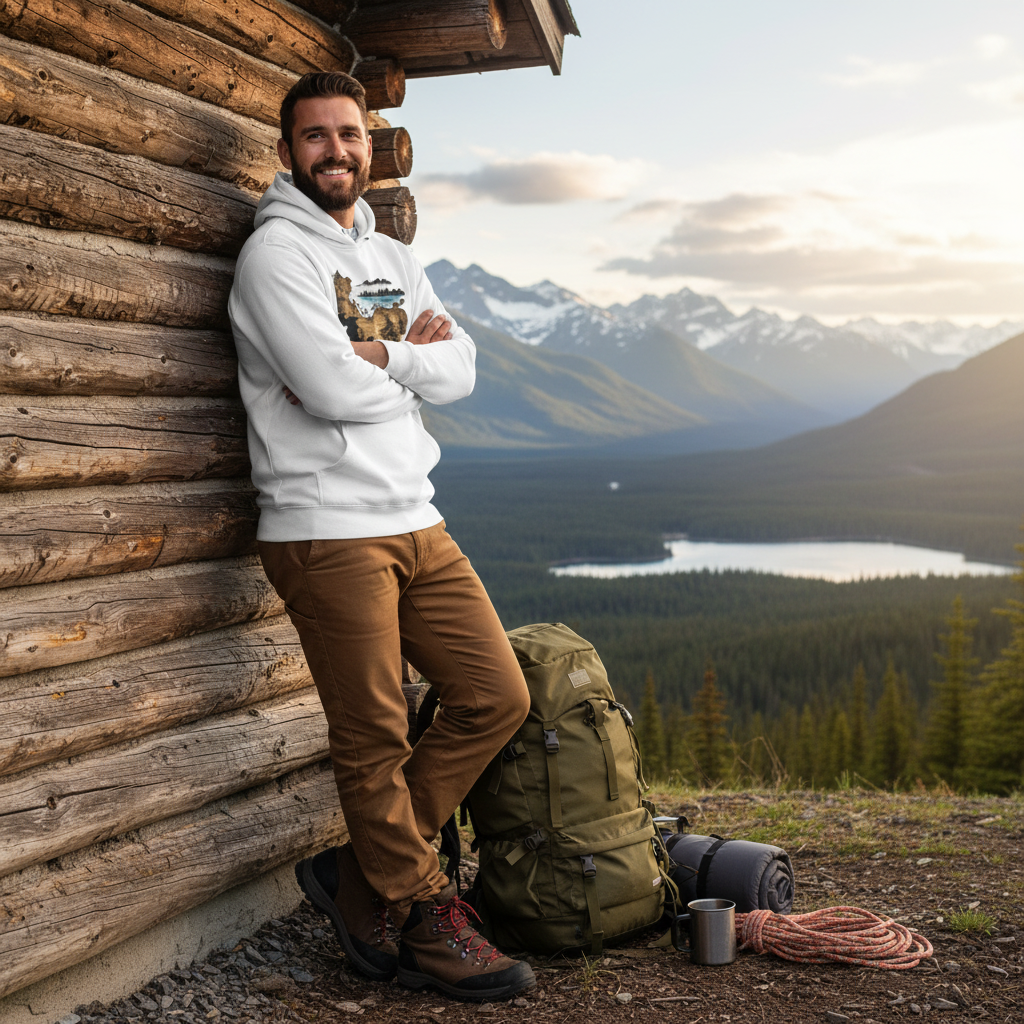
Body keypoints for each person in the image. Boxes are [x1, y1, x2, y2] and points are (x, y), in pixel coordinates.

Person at [228, 71, 535, 1002]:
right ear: (288, 153)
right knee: (372, 739)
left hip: (416, 517)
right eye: (314, 137)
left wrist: (382, 356)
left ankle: (362, 875)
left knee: (496, 695)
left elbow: (463, 367)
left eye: (350, 134)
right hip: (326, 529)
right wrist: (405, 366)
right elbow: (328, 392)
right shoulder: (277, 257)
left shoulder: (391, 254)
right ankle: (426, 914)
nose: (336, 150)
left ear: (371, 143)